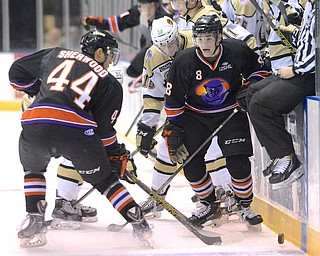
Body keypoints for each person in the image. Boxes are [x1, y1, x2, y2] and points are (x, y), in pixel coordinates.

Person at [9, 28, 152, 247]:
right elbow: (104, 133)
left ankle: (35, 218)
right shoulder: (109, 81)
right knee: (106, 181)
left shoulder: (55, 54)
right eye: (109, 54)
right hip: (74, 134)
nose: (111, 60)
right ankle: (139, 223)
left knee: (33, 170)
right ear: (100, 53)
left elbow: (15, 72)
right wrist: (117, 155)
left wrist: (39, 91)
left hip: (35, 123)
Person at [162, 14, 269, 228]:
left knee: (238, 162)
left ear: (219, 37)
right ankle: (210, 205)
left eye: (208, 39)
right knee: (191, 162)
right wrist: (172, 128)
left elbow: (262, 71)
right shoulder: (184, 61)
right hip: (196, 116)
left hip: (231, 111)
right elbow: (173, 99)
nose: (204, 45)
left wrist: (249, 88)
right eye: (200, 39)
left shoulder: (236, 51)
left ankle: (244, 205)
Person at [136, 16, 234, 219]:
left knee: (212, 147)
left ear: (178, 36)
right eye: (163, 46)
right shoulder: (153, 56)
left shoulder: (197, 41)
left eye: (171, 44)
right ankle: (157, 197)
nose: (169, 50)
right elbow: (153, 97)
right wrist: (147, 127)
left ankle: (225, 192)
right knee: (167, 148)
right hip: (181, 109)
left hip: (209, 106)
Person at [246, 0, 315, 190]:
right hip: (302, 71)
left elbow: (315, 56)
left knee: (260, 103)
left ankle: (287, 159)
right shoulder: (311, 6)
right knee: (251, 93)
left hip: (309, 76)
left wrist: (295, 69)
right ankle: (277, 153)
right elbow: (306, 40)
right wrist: (289, 32)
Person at [82, 0, 175, 80]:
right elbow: (120, 22)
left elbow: (153, 47)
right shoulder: (140, 11)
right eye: (143, 6)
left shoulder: (165, 18)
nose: (146, 11)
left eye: (150, 7)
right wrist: (101, 23)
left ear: (157, 6)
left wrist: (137, 66)